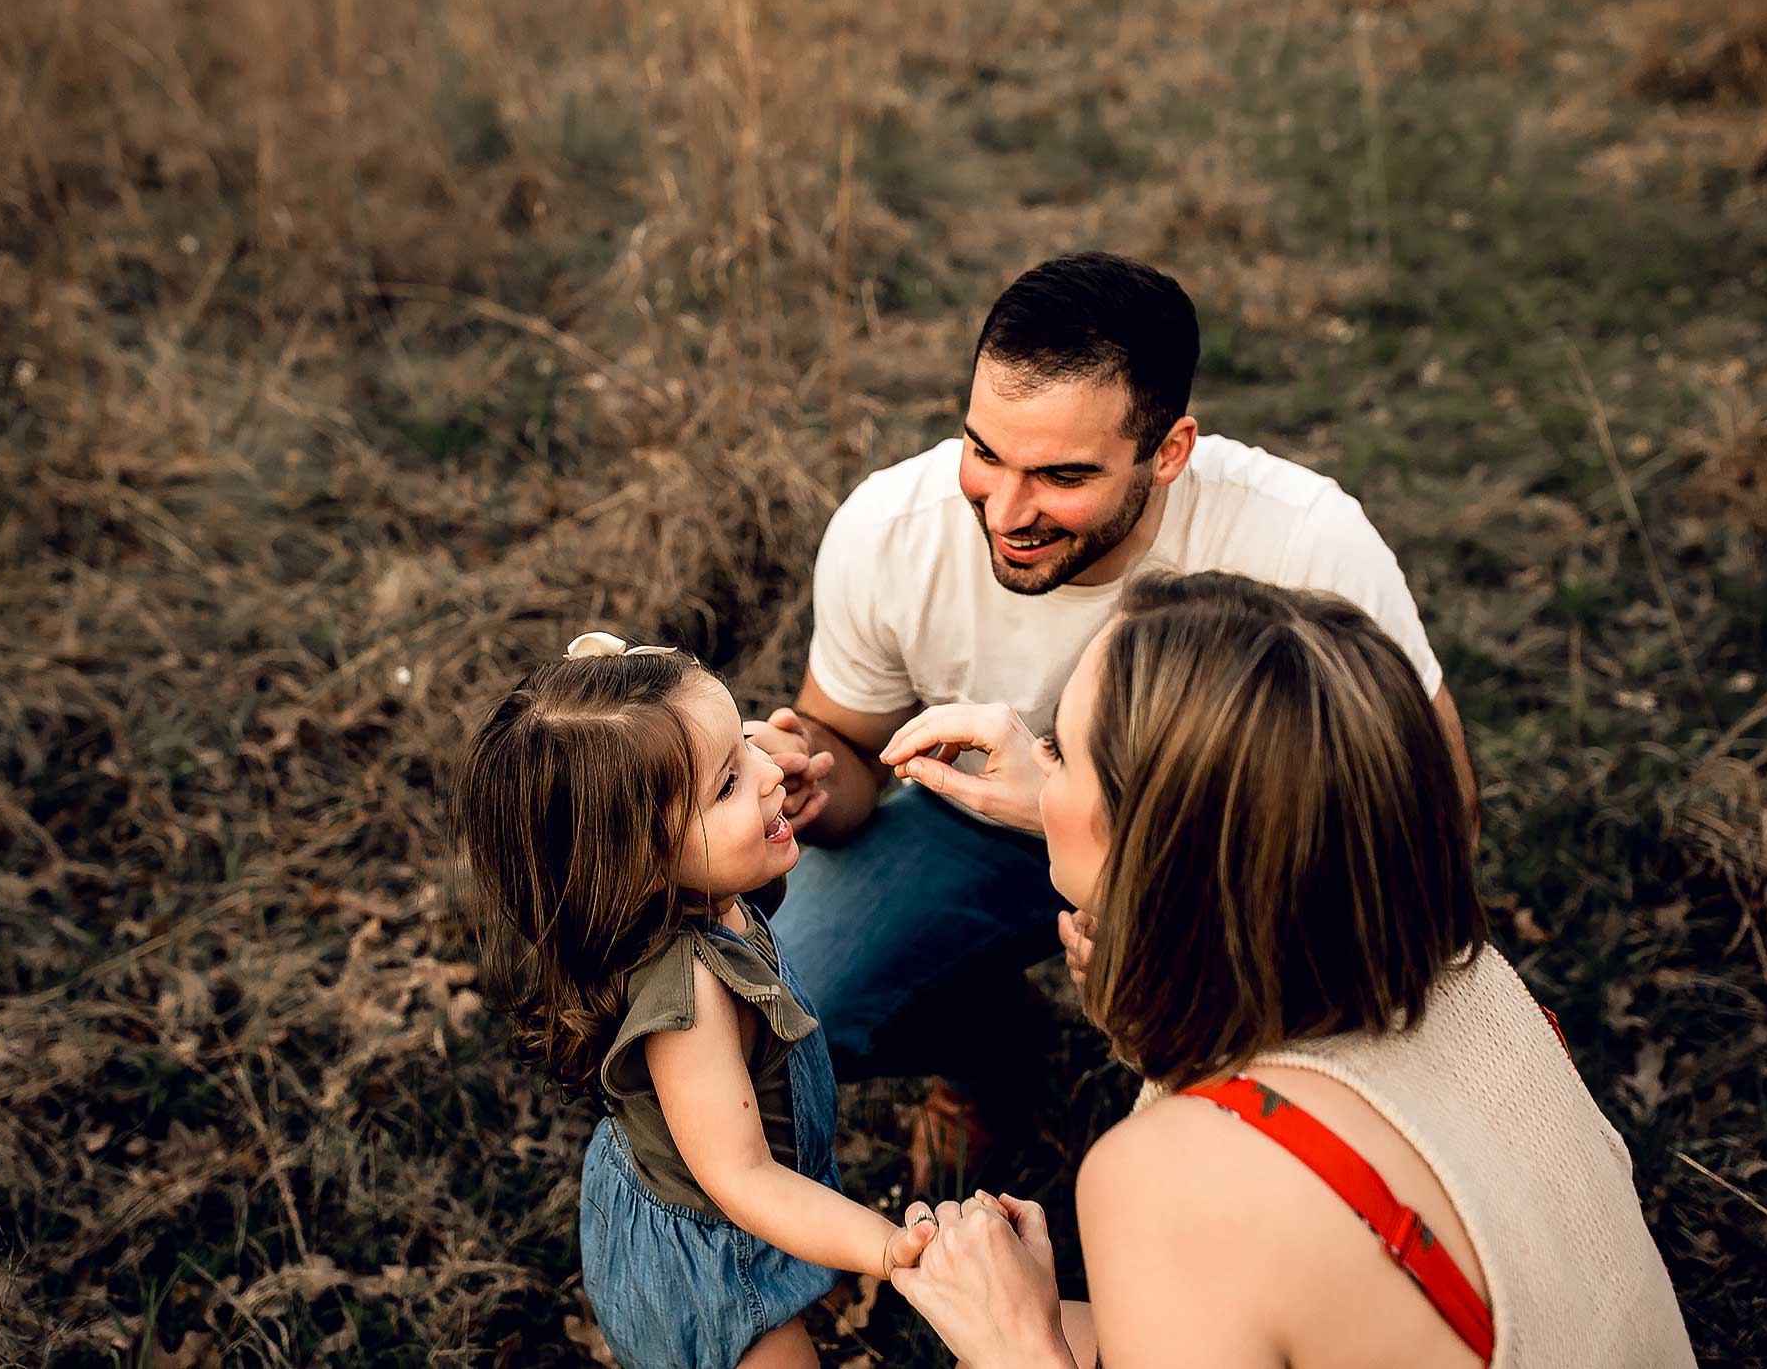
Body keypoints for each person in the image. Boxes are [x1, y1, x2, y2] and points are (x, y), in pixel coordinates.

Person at [748, 251, 1474, 1177]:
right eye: (983, 451)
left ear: (1169, 452)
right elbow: (847, 745)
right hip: (975, 825)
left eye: (1060, 474)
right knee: (791, 990)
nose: (1005, 510)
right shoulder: (891, 531)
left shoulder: (1304, 542)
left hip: (1233, 860)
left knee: (1232, 1140)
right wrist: (813, 775)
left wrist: (1153, 907)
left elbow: (1430, 821)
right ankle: (994, 1048)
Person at [884, 573, 1696, 1369]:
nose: (1038, 769)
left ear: (1159, 843)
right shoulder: (1451, 966)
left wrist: (1014, 1346)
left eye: (1058, 751)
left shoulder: (1167, 1178)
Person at [452, 632, 936, 1369]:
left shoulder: (705, 891)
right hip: (713, 1260)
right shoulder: (691, 1002)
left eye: (745, 743)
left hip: (721, 1204)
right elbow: (743, 1179)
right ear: (641, 864)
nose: (770, 770)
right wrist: (884, 1245)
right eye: (729, 783)